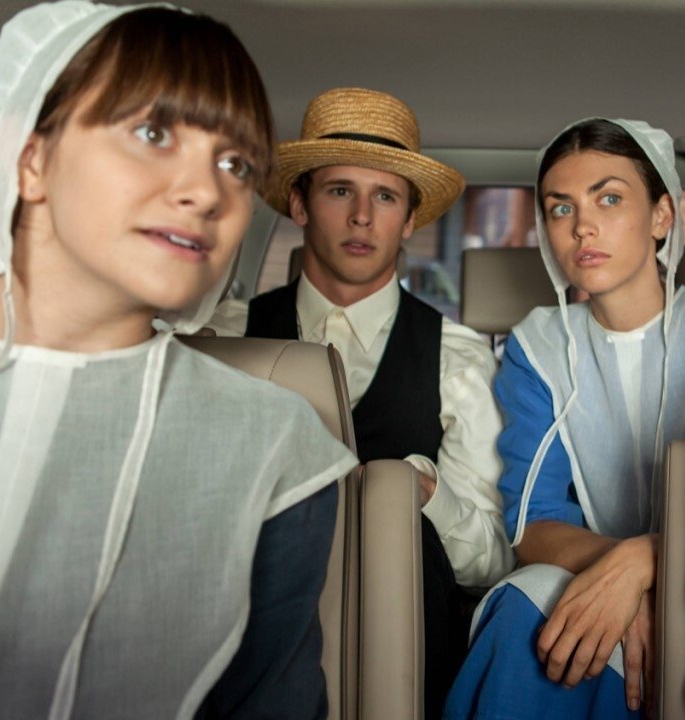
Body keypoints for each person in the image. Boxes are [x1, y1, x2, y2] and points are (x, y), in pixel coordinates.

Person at [0, 3, 358, 718]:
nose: (207, 193)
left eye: (236, 164)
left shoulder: (277, 449)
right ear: (31, 160)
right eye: (153, 133)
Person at [444, 118, 685, 719]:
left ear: (661, 215)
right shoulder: (537, 348)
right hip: (583, 567)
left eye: (608, 199)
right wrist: (619, 582)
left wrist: (644, 562)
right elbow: (534, 524)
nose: (582, 226)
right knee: (524, 609)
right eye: (560, 208)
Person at [208, 87, 512, 717]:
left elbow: (490, 559)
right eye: (341, 190)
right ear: (299, 203)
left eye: (386, 197)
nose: (363, 218)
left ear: (410, 220)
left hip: (404, 656)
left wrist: (426, 493)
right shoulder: (226, 338)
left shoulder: (457, 358)